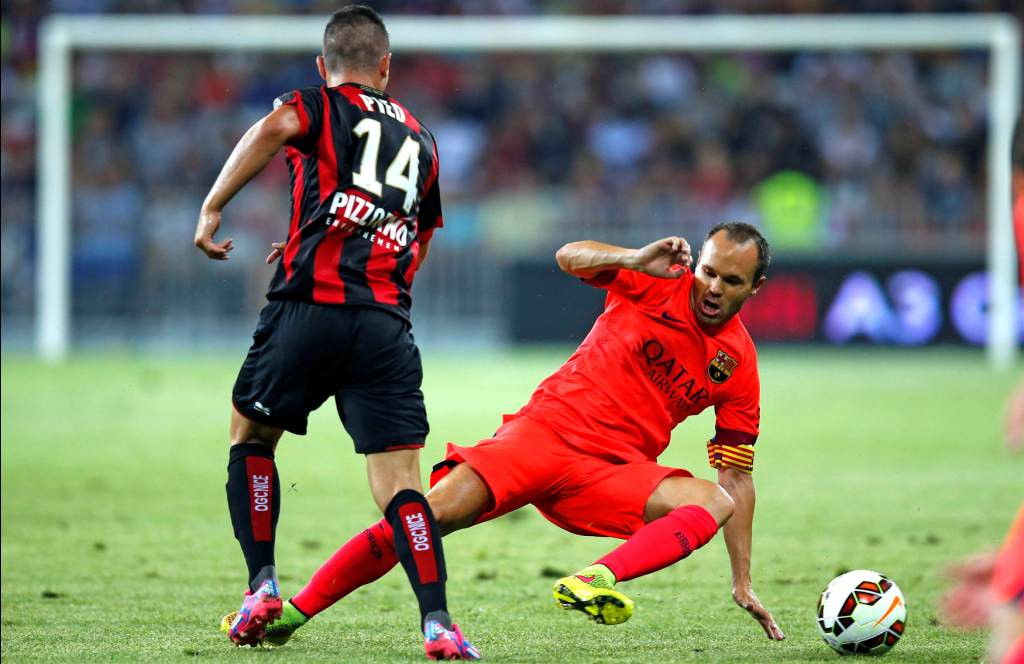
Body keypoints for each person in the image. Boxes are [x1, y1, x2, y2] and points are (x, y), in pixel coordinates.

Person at [256, 222, 786, 648]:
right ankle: (294, 612)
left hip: (610, 473)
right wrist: (630, 257)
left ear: (755, 288)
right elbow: (567, 256)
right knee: (429, 514)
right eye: (709, 273)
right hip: (544, 433)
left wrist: (741, 579)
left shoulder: (737, 364)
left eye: (732, 282)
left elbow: (736, 477)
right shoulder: (657, 280)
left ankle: (594, 580)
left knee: (714, 500)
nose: (714, 289)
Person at [192, 6, 478, 660]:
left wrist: (212, 209)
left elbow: (274, 127)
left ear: (324, 68)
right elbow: (416, 238)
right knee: (403, 484)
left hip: (309, 309)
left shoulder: (315, 105)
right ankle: (438, 623)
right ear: (386, 67)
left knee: (251, 433)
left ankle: (261, 586)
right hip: (384, 322)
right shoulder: (425, 141)